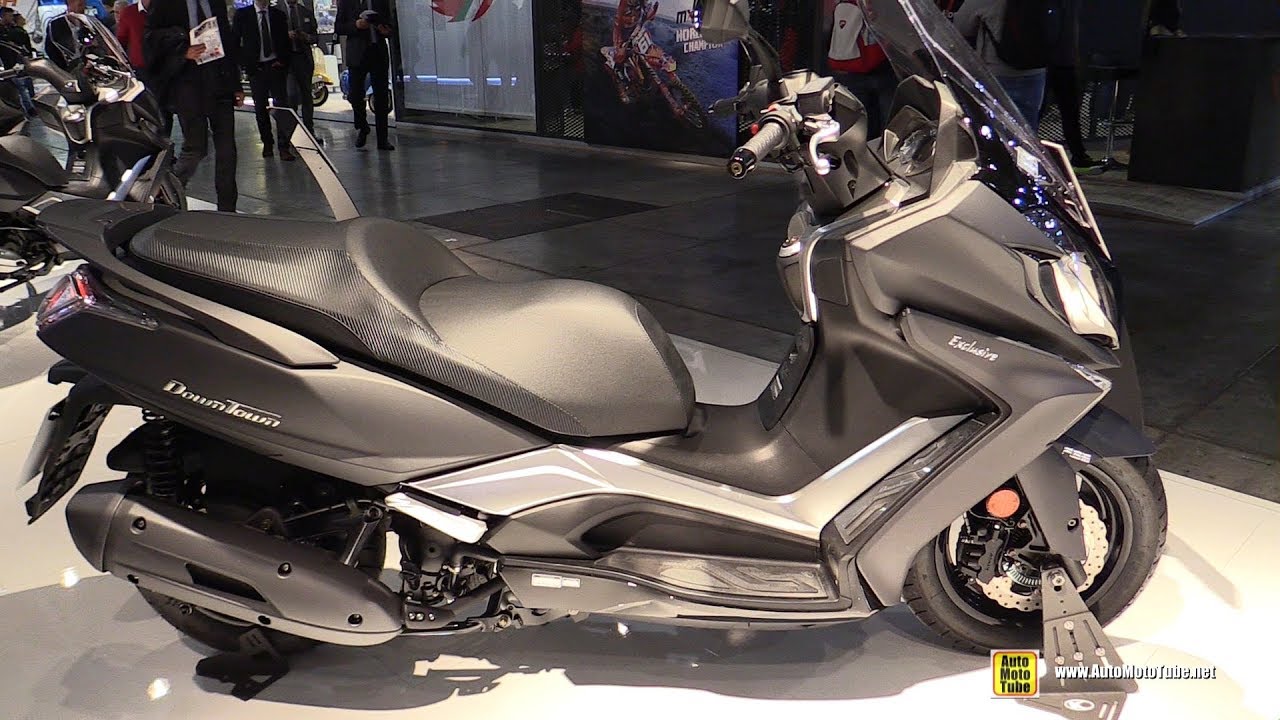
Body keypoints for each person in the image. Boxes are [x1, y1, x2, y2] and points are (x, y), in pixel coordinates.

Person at [145, 0, 244, 211]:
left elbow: (226, 37)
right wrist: (182, 52)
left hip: (220, 80)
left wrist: (236, 84)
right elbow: (150, 38)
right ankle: (167, 192)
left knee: (227, 150)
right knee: (196, 148)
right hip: (188, 83)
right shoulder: (165, 4)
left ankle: (228, 209)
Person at [952, 0, 1048, 132]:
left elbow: (961, 25)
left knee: (994, 128)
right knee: (1026, 127)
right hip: (1035, 71)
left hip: (995, 73)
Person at [1039, 0, 1100, 170]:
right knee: (1067, 111)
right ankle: (1078, 155)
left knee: (1061, 111)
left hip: (1055, 61)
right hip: (1059, 61)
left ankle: (1078, 155)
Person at [233, 0, 297, 161]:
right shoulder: (243, 15)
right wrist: (246, 63)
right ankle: (267, 143)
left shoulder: (278, 15)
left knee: (281, 106)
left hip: (276, 66)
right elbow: (235, 42)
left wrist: (283, 61)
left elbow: (285, 41)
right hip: (257, 68)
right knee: (260, 108)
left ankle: (284, 146)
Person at [335, 0, 394, 150]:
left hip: (378, 51)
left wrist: (386, 30)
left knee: (381, 96)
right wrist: (356, 25)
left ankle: (383, 139)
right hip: (357, 53)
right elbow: (339, 27)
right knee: (355, 95)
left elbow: (391, 23)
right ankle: (362, 126)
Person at [116, 0, 174, 136]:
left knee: (165, 109)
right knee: (149, 109)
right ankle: (155, 141)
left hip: (165, 68)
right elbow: (121, 41)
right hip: (142, 70)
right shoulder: (130, 13)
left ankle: (165, 141)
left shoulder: (167, 10)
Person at [282, 0, 318, 135]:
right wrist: (286, 35)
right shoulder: (277, 11)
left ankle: (309, 131)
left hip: (303, 59)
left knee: (307, 96)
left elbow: (315, 37)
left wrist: (306, 37)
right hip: (287, 60)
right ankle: (293, 133)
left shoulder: (305, 12)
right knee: (291, 96)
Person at [0, 8, 37, 116]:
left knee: (25, 85)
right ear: (3, 16)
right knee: (21, 87)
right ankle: (29, 109)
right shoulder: (2, 31)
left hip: (20, 61)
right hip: (9, 64)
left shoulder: (13, 29)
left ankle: (30, 106)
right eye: (9, 16)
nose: (12, 18)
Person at [44, 0, 90, 71]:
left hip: (87, 67)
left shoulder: (88, 22)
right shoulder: (55, 24)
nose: (83, 8)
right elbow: (50, 49)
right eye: (80, 4)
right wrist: (62, 68)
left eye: (83, 4)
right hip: (65, 69)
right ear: (69, 2)